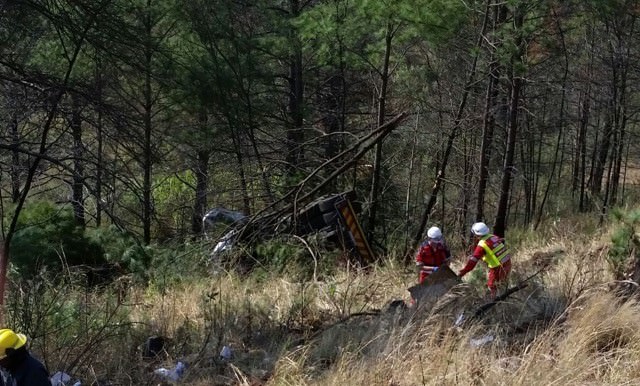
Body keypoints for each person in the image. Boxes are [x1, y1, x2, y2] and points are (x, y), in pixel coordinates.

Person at [457, 222, 511, 298]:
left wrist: (462, 273)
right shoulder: (493, 237)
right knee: (501, 284)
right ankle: (503, 299)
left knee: (492, 285)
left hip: (498, 267)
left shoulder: (482, 244)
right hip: (507, 262)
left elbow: (472, 262)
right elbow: (492, 249)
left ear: (477, 234)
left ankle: (494, 304)